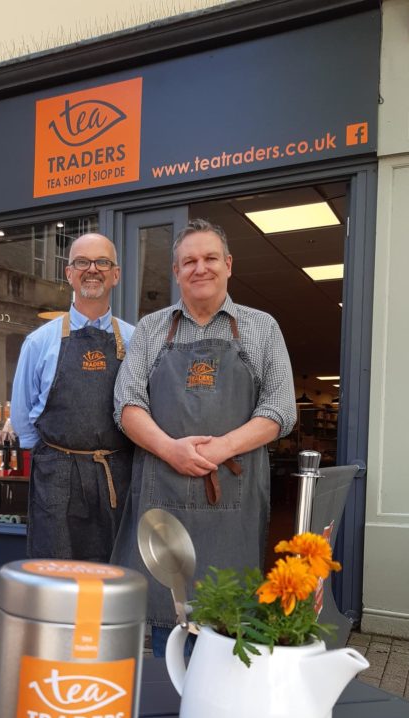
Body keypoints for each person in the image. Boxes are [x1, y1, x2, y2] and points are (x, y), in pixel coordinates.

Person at [112, 219, 296, 655]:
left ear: (228, 265)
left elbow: (281, 409)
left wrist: (224, 447)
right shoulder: (153, 329)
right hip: (164, 491)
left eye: (210, 258)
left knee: (231, 623)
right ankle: (169, 698)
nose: (200, 268)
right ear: (176, 272)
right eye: (188, 261)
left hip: (232, 494)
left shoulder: (261, 327)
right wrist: (170, 450)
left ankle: (223, 711)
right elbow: (126, 404)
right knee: (167, 619)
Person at [11, 233, 135, 561]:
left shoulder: (136, 341)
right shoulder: (39, 343)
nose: (92, 269)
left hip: (115, 478)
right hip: (57, 481)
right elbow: (24, 422)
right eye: (82, 262)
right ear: (69, 273)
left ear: (116, 274)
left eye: (102, 262)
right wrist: (57, 463)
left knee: (114, 576)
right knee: (57, 579)